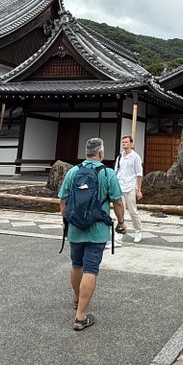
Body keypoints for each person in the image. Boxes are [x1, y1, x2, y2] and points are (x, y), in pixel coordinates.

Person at [58, 137, 125, 332]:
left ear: (86, 152)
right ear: (101, 153)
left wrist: (65, 220)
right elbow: (118, 202)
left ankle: (78, 299)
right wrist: (121, 222)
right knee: (90, 268)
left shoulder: (73, 171)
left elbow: (62, 199)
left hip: (76, 228)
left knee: (76, 264)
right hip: (97, 229)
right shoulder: (107, 173)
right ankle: (80, 316)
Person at [115, 135, 144, 244]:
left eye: (126, 142)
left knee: (132, 211)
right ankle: (118, 236)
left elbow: (139, 174)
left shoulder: (135, 157)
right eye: (123, 142)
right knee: (119, 212)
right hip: (120, 186)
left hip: (131, 186)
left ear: (131, 144)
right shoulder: (120, 157)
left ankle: (138, 230)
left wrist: (139, 189)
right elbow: (116, 172)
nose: (124, 144)